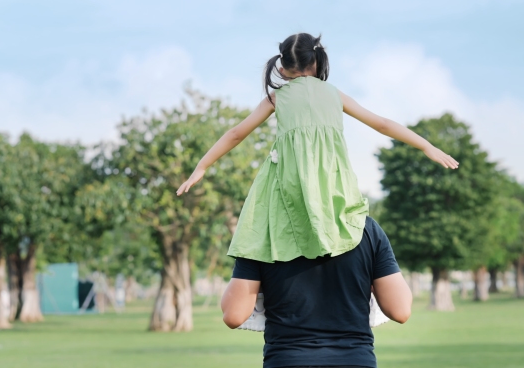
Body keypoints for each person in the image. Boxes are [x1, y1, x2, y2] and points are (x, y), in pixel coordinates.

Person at [177, 32, 458, 264]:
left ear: (283, 67)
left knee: (263, 226)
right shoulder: (334, 93)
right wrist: (426, 146)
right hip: (334, 183)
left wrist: (201, 166)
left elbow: (236, 134)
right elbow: (382, 124)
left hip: (290, 182)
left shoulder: (278, 97)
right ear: (316, 62)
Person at [221, 216, 413, 368]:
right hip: (354, 359)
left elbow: (234, 315)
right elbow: (401, 310)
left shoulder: (262, 232)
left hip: (287, 359)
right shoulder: (366, 229)